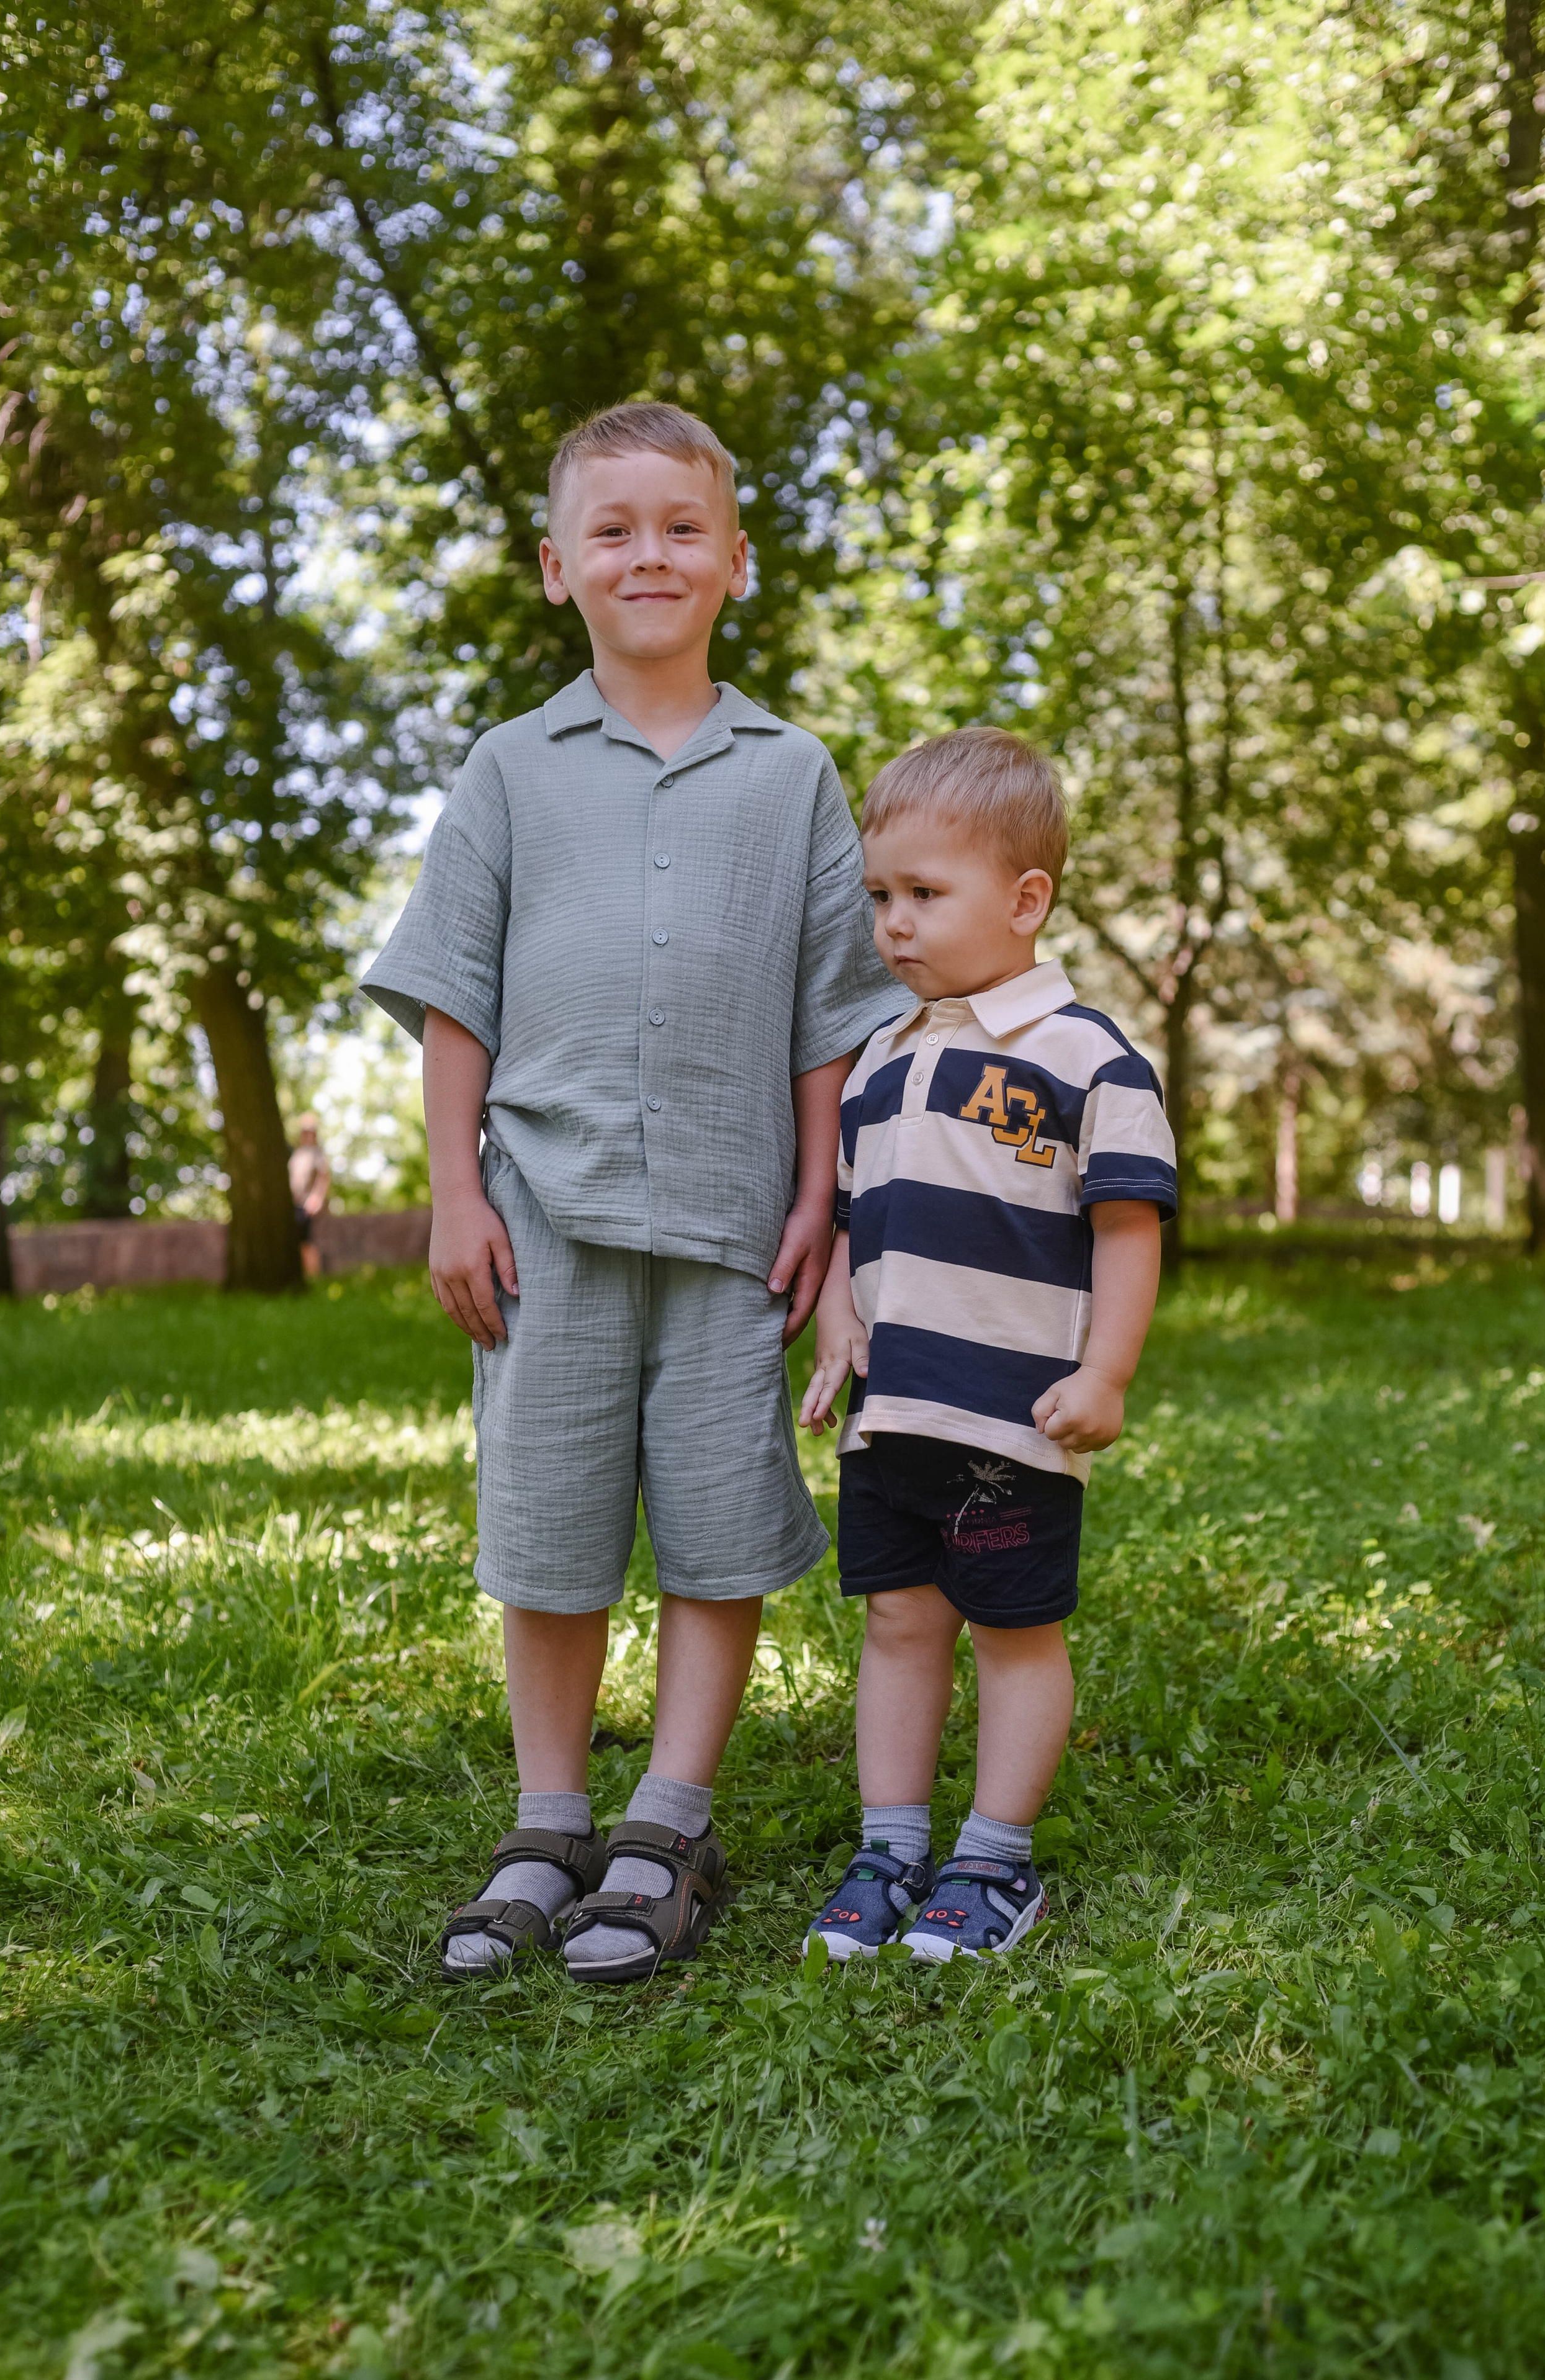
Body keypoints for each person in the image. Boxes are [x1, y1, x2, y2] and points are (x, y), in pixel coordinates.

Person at [361, 402, 903, 1985]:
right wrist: (453, 1195)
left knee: (721, 1519)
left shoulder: (793, 772)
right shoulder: (510, 769)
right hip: (544, 1216)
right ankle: (546, 1816)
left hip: (740, 1222)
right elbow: (454, 993)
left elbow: (830, 1012)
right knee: (549, 1522)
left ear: (734, 560)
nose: (647, 552)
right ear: (556, 566)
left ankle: (668, 1816)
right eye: (613, 529)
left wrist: (827, 1196)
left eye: (681, 526)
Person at [798, 728, 1176, 1962]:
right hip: (895, 1410)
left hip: (1014, 1416)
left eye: (923, 894)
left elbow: (1126, 1228)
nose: (893, 923)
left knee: (1015, 1630)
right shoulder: (879, 1065)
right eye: (879, 897)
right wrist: (839, 1317)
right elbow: (860, 1219)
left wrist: (1105, 1372)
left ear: (1024, 901)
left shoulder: (1086, 1057)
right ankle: (891, 1845)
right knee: (899, 1623)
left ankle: (993, 1862)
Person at [287, 1116, 331, 1279]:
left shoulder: (317, 1153)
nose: (306, 1135)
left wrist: (317, 1198)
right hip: (294, 1203)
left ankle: (313, 1277)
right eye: (304, 1132)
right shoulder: (298, 1153)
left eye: (309, 1132)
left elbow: (324, 1177)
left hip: (308, 1205)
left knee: (308, 1242)